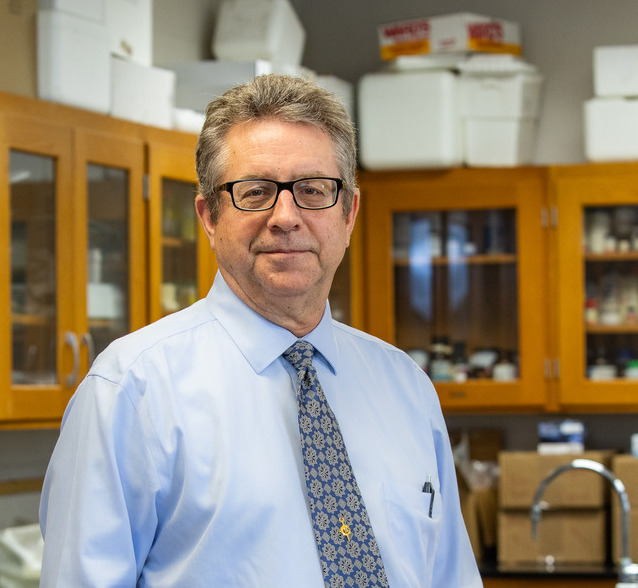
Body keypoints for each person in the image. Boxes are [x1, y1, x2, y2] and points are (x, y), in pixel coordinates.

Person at [38, 74, 482, 587]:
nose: (286, 217)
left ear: (349, 213)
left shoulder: (406, 388)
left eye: (313, 190)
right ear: (209, 215)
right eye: (256, 192)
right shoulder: (132, 392)